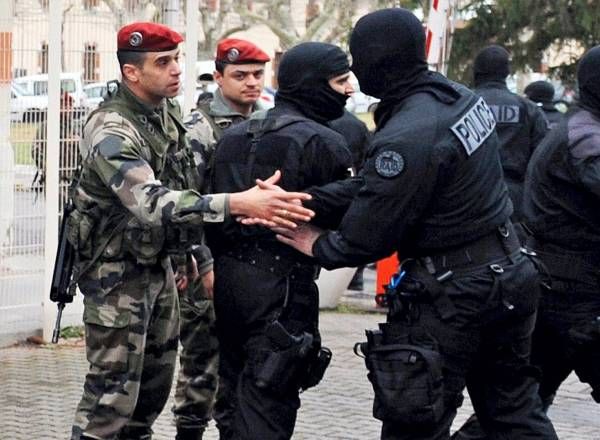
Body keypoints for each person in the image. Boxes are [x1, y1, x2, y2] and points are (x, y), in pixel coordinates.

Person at [273, 9, 558, 440]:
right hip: (509, 274)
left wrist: (316, 244)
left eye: (357, 60)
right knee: (513, 413)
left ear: (377, 63)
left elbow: (368, 233)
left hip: (453, 295)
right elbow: (385, 188)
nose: (354, 72)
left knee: (414, 420)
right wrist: (310, 200)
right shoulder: (457, 99)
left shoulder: (407, 135)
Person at [67, 22, 314, 440]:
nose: (177, 70)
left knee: (148, 398)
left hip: (159, 269)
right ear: (132, 73)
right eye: (162, 62)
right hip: (116, 278)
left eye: (177, 59)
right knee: (110, 402)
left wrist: (190, 257)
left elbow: (184, 185)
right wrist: (238, 203)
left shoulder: (165, 114)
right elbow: (153, 202)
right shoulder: (111, 128)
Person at [452, 45, 600, 440]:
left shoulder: (465, 104)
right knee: (514, 406)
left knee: (514, 406)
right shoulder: (581, 134)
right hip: (571, 291)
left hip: (540, 268)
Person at [207, 41, 354, 440]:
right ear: (312, 84)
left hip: (230, 287)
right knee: (268, 405)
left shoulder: (234, 136)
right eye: (340, 80)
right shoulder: (324, 142)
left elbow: (214, 212)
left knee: (235, 404)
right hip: (282, 290)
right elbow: (352, 220)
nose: (350, 89)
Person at [173, 38, 270, 440]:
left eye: (258, 75)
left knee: (244, 363)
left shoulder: (268, 121)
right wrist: (203, 263)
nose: (251, 83)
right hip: (209, 261)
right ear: (218, 77)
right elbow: (186, 201)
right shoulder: (199, 130)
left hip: (252, 263)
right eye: (240, 75)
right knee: (201, 361)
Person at [473, 45, 548, 222]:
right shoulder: (528, 109)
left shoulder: (462, 105)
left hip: (471, 193)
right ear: (507, 72)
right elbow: (542, 158)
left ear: (477, 70)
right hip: (516, 196)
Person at [328, 109, 371, 291]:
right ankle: (355, 278)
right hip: (352, 190)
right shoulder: (357, 125)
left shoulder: (315, 120)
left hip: (325, 191)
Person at [31, 91, 79, 190]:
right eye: (65, 105)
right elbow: (35, 150)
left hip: (74, 178)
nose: (68, 108)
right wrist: (47, 168)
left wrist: (79, 141)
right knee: (55, 204)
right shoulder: (47, 126)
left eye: (70, 105)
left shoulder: (76, 126)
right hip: (54, 178)